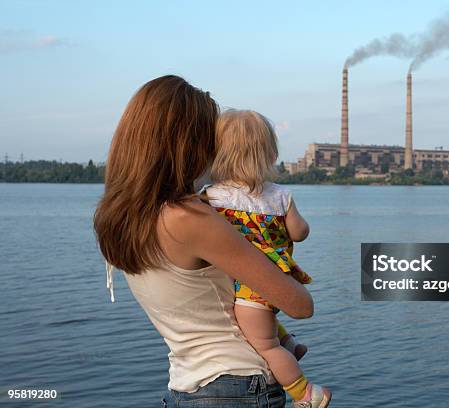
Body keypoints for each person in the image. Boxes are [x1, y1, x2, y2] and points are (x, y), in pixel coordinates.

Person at [94, 75, 314, 408]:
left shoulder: (123, 218)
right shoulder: (189, 218)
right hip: (238, 386)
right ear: (189, 144)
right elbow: (300, 305)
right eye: (211, 139)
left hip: (186, 385)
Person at [205, 109, 331, 407]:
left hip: (249, 285)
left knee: (265, 346)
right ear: (269, 153)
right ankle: (291, 344)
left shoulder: (211, 198)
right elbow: (299, 233)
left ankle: (306, 393)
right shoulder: (281, 196)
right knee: (263, 324)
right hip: (278, 281)